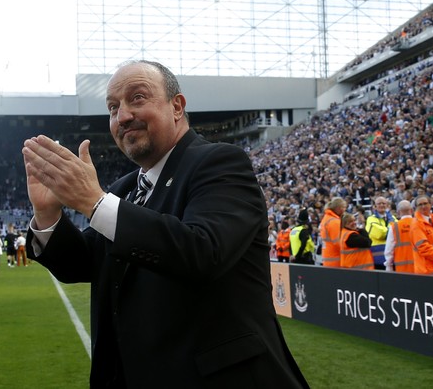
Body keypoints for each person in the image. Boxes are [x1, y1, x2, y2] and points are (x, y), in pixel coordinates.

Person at [21, 60, 308, 387]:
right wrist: (47, 214)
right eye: (113, 108)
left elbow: (204, 250)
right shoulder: (124, 189)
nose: (123, 116)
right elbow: (84, 264)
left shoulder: (220, 163)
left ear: (177, 106)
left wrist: (94, 202)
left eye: (138, 98)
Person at [384, 200, 415, 273]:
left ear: (398, 212)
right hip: (420, 265)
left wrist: (389, 266)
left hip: (402, 267)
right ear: (412, 210)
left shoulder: (394, 227)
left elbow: (389, 249)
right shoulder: (420, 224)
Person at [364, 196, 393, 270]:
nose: (382, 205)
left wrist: (387, 230)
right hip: (378, 258)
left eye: (383, 203)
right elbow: (380, 234)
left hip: (392, 256)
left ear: (387, 205)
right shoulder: (370, 219)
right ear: (375, 206)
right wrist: (391, 229)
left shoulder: (392, 218)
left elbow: (398, 231)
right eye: (379, 203)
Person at [319, 197, 346, 267]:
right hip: (336, 260)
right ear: (338, 208)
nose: (344, 210)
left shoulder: (326, 218)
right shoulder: (334, 221)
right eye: (343, 207)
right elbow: (338, 242)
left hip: (328, 257)